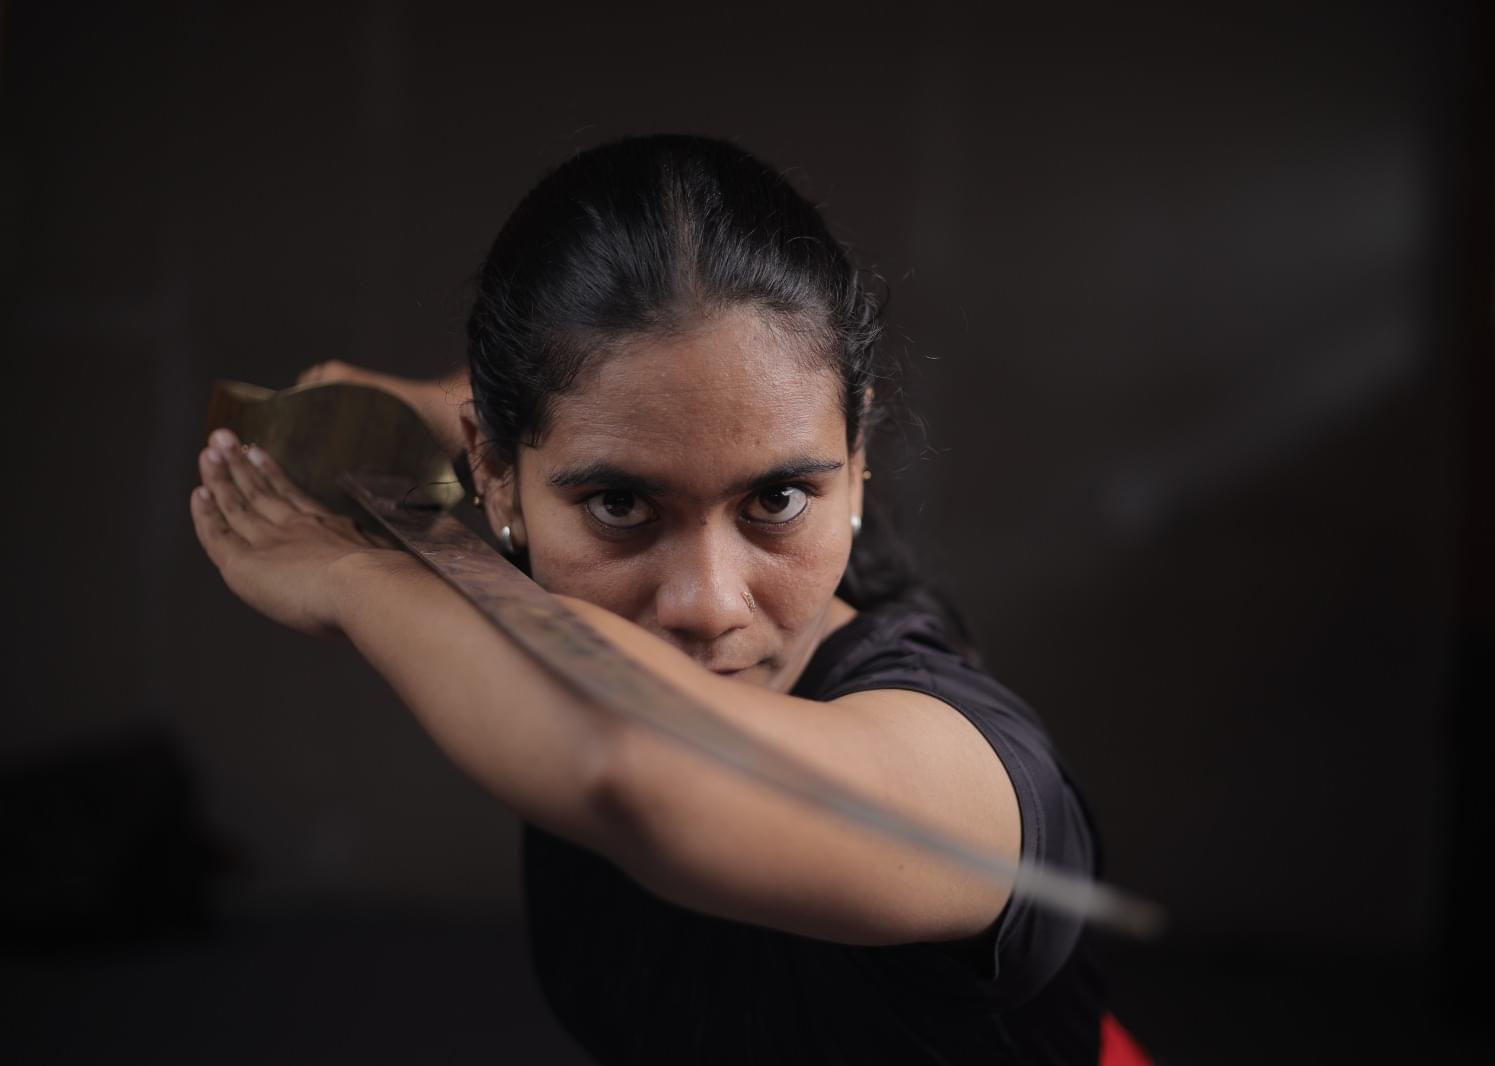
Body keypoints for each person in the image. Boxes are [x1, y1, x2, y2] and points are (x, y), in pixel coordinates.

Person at [190, 135, 1140, 1064]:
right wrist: (423, 420)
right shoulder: (540, 617)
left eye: (778, 499)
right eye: (621, 505)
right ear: (495, 473)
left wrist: (368, 570)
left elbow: (632, 753)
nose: (707, 605)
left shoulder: (971, 772)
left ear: (857, 462)